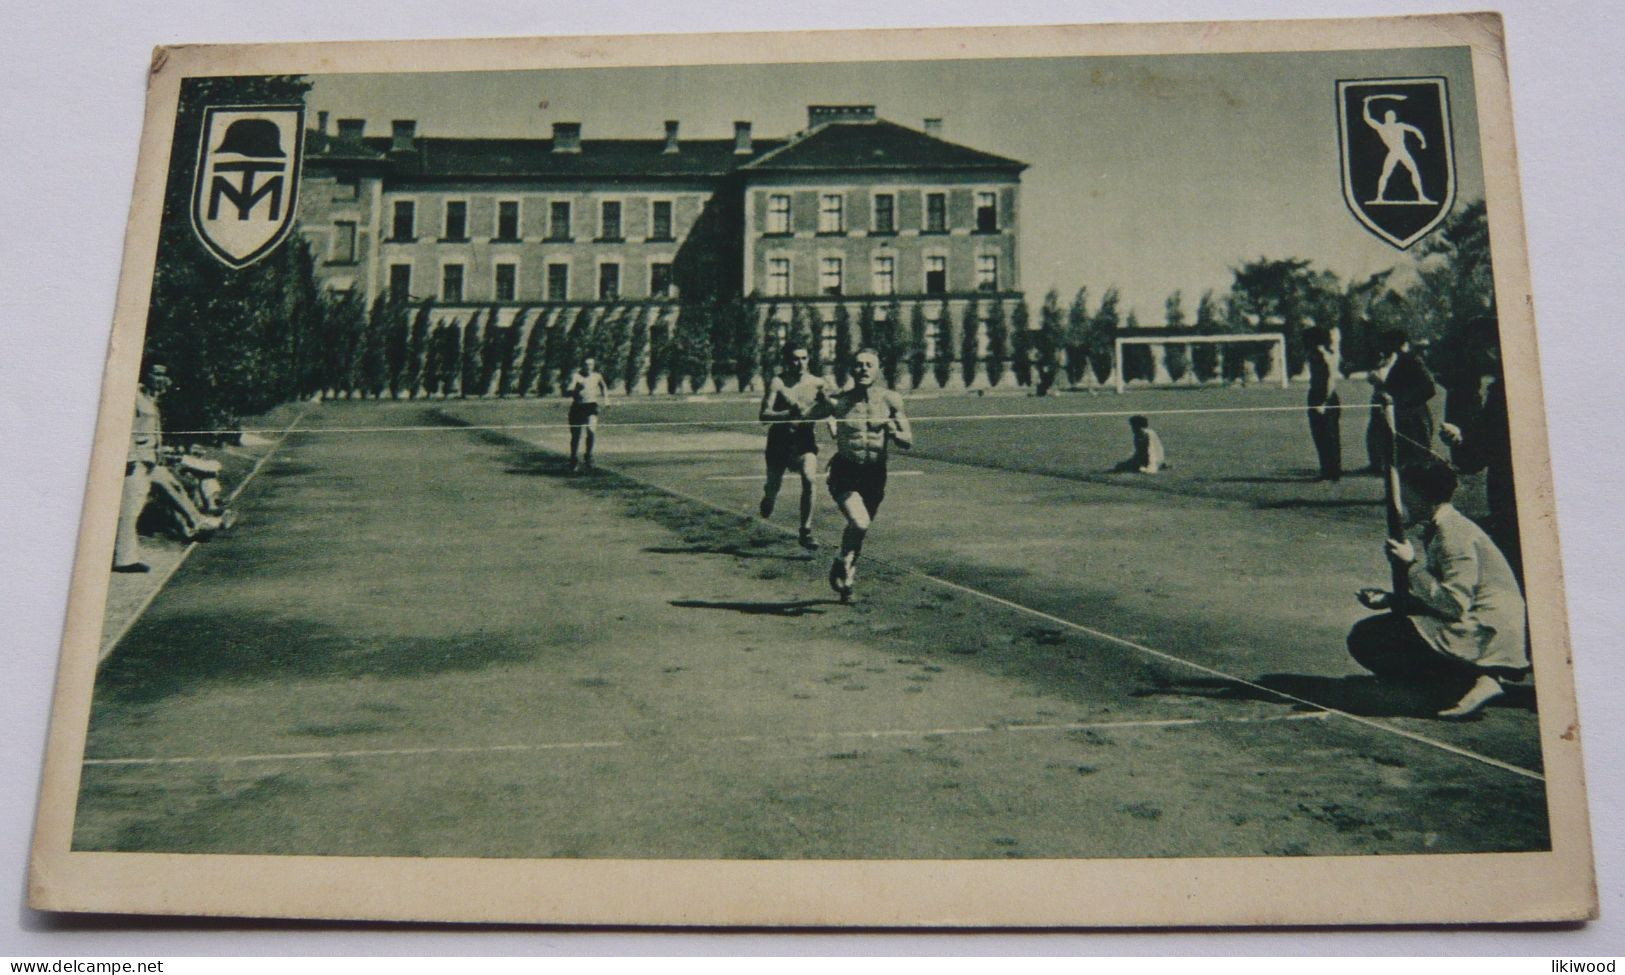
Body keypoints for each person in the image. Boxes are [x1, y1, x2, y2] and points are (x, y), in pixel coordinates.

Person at [1347, 457, 1529, 719]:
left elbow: (1454, 603)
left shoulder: (1453, 535)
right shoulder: (1444, 526)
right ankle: (1460, 679)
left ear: (1424, 496)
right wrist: (1392, 600)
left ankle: (1475, 680)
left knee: (1372, 637)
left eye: (1406, 494)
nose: (1402, 502)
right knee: (1371, 634)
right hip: (1475, 621)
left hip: (1486, 628)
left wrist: (1411, 566)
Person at [806, 349, 912, 603]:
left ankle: (847, 580)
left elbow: (908, 440)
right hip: (846, 471)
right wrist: (819, 401)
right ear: (852, 370)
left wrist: (892, 431)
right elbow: (807, 415)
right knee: (860, 522)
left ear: (877, 369)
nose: (864, 369)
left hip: (875, 474)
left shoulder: (891, 400)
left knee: (859, 530)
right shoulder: (839, 402)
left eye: (869, 365)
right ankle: (843, 561)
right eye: (859, 365)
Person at [112, 362, 226, 573]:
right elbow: (123, 427)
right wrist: (129, 458)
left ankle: (197, 522)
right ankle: (124, 559)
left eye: (163, 374)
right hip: (135, 461)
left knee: (172, 485)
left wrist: (159, 453)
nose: (159, 378)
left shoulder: (150, 396)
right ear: (144, 374)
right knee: (131, 508)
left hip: (151, 460)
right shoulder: (131, 395)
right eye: (155, 373)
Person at [1439, 316, 1521, 581]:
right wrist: (1461, 438)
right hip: (1504, 495)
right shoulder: (1499, 388)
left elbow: (1487, 449)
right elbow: (1477, 456)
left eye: (1476, 348)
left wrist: (1464, 439)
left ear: (1497, 348)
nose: (1470, 355)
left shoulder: (1513, 389)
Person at [758, 344, 831, 551]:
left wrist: (828, 413)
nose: (800, 363)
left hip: (804, 439)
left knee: (809, 479)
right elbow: (763, 416)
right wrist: (788, 413)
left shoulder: (818, 383)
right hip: (779, 440)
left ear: (809, 359)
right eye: (795, 359)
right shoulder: (778, 383)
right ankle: (769, 496)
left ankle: (805, 531)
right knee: (774, 485)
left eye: (804, 358)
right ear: (787, 361)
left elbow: (830, 407)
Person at [1365, 328, 1436, 469]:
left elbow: (1429, 387)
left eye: (1385, 343)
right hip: (1405, 416)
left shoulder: (1411, 359)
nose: (1382, 347)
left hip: (1414, 417)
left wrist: (1405, 402)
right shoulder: (1401, 359)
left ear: (1396, 343)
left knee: (1417, 458)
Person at [1305, 322, 1343, 481]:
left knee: (1327, 436)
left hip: (1324, 398)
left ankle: (1332, 471)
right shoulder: (1317, 353)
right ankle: (1328, 470)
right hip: (1319, 396)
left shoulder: (1321, 355)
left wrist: (1323, 402)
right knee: (1323, 436)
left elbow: (1329, 380)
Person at [564, 356, 609, 472]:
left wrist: (607, 400)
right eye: (586, 364)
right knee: (576, 436)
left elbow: (603, 386)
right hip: (578, 407)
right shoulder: (576, 376)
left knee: (591, 430)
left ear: (593, 366)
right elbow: (568, 391)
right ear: (582, 365)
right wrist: (577, 389)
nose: (588, 367)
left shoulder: (597, 376)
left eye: (591, 364)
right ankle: (573, 459)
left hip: (591, 406)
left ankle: (588, 457)